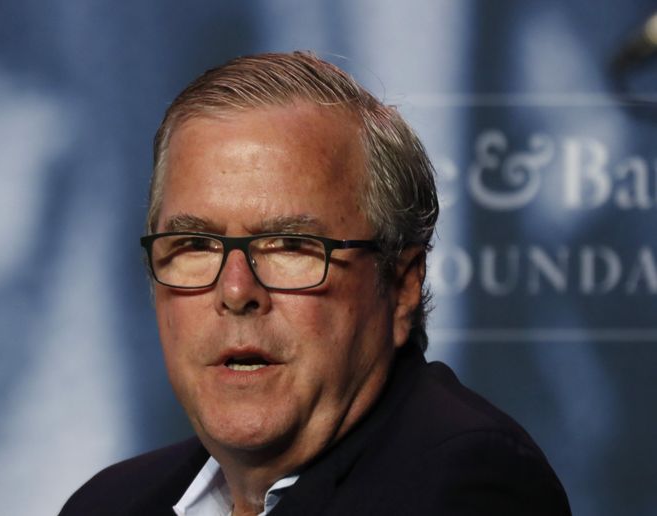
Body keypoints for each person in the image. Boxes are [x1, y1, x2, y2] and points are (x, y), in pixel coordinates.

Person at [60, 51, 571, 516]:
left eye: (289, 246)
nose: (236, 291)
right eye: (196, 245)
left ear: (400, 286)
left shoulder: (467, 484)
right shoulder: (110, 503)